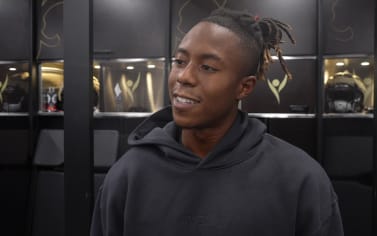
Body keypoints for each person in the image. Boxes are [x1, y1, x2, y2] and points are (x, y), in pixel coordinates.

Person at [90, 8, 344, 236]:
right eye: (180, 62)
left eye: (208, 68)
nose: (184, 77)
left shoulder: (300, 180)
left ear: (244, 87)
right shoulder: (129, 175)